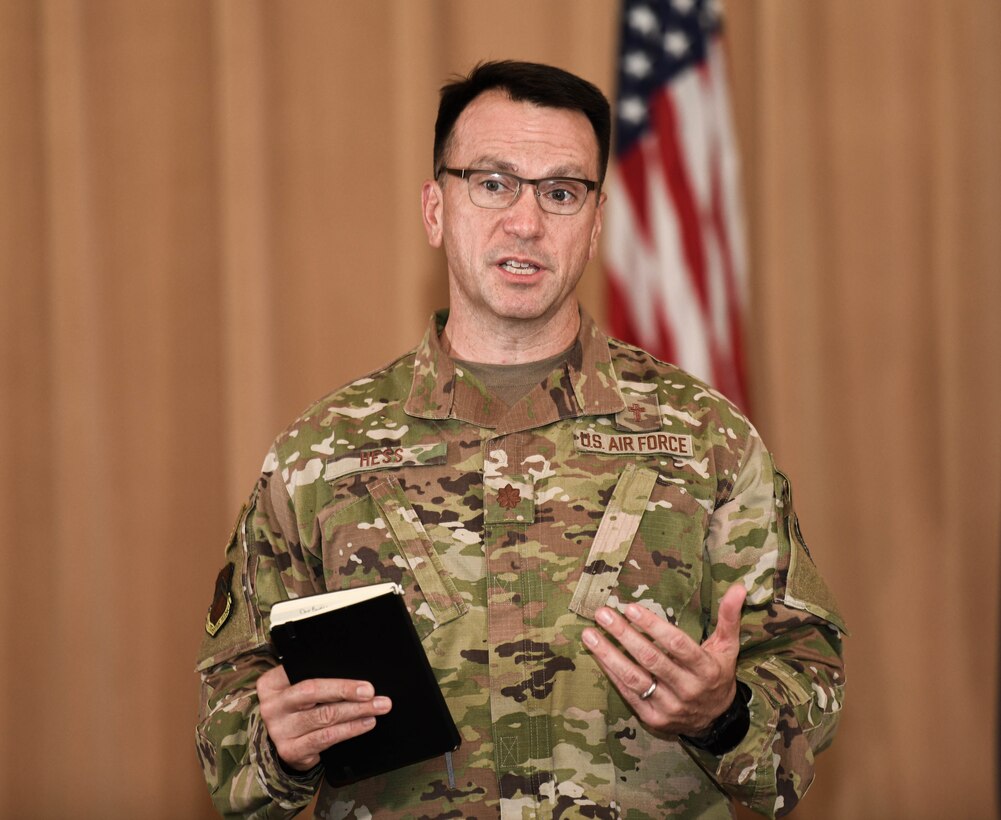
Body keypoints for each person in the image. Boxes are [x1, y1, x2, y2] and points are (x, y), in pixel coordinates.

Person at [195, 60, 846, 819]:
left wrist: (724, 714)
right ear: (435, 208)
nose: (526, 222)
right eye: (493, 182)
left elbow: (804, 678)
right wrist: (276, 744)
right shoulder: (319, 454)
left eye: (561, 192)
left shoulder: (706, 440)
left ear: (596, 224)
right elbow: (227, 730)